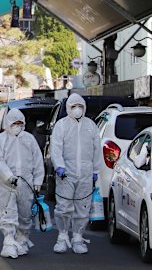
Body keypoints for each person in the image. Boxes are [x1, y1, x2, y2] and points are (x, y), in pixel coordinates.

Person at [51, 93, 101, 254]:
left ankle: (78, 238)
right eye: (74, 107)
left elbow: (97, 150)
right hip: (66, 173)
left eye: (80, 106)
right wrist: (59, 166)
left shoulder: (91, 125)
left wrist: (95, 170)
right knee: (64, 207)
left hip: (85, 174)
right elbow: (56, 148)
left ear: (84, 108)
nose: (77, 109)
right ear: (68, 108)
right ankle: (62, 236)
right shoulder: (61, 125)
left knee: (83, 207)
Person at [0, 109, 44, 259]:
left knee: (25, 214)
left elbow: (37, 160)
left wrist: (38, 181)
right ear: (8, 123)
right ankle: (8, 241)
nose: (17, 126)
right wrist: (8, 176)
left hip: (26, 182)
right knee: (8, 212)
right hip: (6, 183)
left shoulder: (29, 139)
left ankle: (22, 240)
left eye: (20, 123)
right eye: (14, 123)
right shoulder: (0, 139)